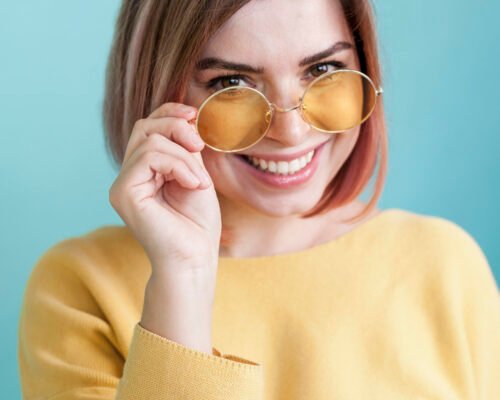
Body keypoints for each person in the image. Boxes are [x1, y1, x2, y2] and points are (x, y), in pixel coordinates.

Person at [18, 0, 500, 399]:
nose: (290, 131)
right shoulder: (80, 289)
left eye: (324, 69)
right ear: (156, 91)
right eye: (231, 84)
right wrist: (184, 276)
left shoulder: (445, 264)